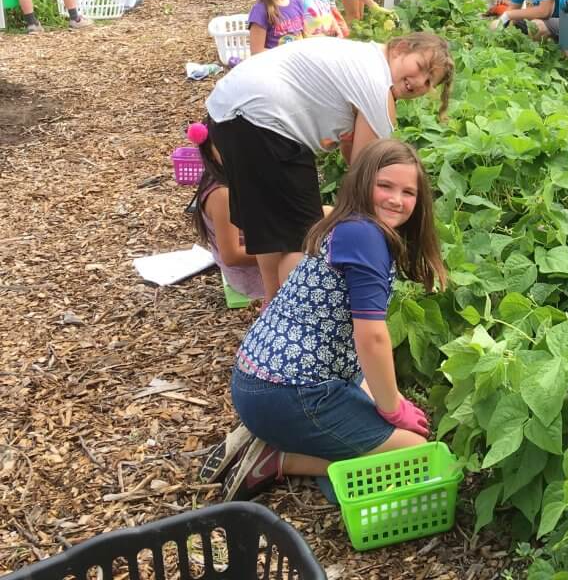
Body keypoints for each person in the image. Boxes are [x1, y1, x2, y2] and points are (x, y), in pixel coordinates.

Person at [215, 140, 445, 501]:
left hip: (261, 381)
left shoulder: (347, 224)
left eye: (408, 192)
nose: (396, 200)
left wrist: (389, 401)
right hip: (289, 393)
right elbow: (372, 338)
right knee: (415, 450)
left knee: (385, 410)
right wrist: (393, 409)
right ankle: (278, 458)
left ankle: (280, 436)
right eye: (385, 186)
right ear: (363, 183)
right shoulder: (367, 237)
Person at [205, 32, 453, 302]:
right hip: (265, 119)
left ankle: (273, 303)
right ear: (401, 48)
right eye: (421, 67)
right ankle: (294, 311)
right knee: (302, 235)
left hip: (228, 112)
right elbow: (363, 174)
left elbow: (352, 152)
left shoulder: (363, 57)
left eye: (429, 82)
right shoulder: (379, 87)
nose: (419, 82)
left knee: (272, 226)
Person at [186, 121, 264, 306]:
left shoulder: (231, 177)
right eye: (227, 146)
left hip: (261, 261)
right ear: (210, 151)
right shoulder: (222, 195)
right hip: (254, 278)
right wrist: (285, 247)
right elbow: (232, 256)